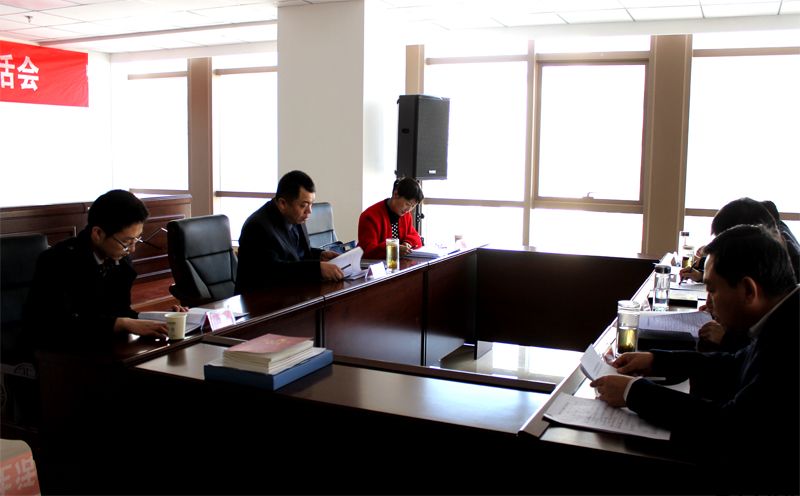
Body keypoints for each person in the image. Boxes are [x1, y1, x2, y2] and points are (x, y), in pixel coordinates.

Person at [591, 224, 799, 493]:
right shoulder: (783, 317)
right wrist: (655, 360)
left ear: (749, 290)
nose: (708, 303)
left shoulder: (788, 341)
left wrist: (633, 392)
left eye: (712, 290)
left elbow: (728, 427)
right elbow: (734, 363)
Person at [24, 190, 177, 348]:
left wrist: (163, 318)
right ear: (98, 233)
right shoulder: (57, 261)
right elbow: (56, 324)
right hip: (59, 352)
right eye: (127, 242)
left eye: (136, 240)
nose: (132, 250)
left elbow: (120, 312)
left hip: (105, 346)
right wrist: (121, 323)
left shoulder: (121, 261)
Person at [235, 170, 343, 293]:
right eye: (303, 205)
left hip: (291, 292)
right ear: (283, 203)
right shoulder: (257, 227)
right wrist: (317, 269)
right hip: (259, 299)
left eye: (311, 204)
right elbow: (272, 272)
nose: (309, 211)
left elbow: (297, 255)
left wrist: (320, 255)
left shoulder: (295, 217)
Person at [358, 177, 424, 260]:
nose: (408, 209)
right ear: (396, 194)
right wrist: (394, 248)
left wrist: (408, 243)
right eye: (407, 204)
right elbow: (368, 251)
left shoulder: (406, 215)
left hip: (397, 263)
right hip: (376, 265)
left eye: (413, 206)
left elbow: (415, 236)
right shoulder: (370, 216)